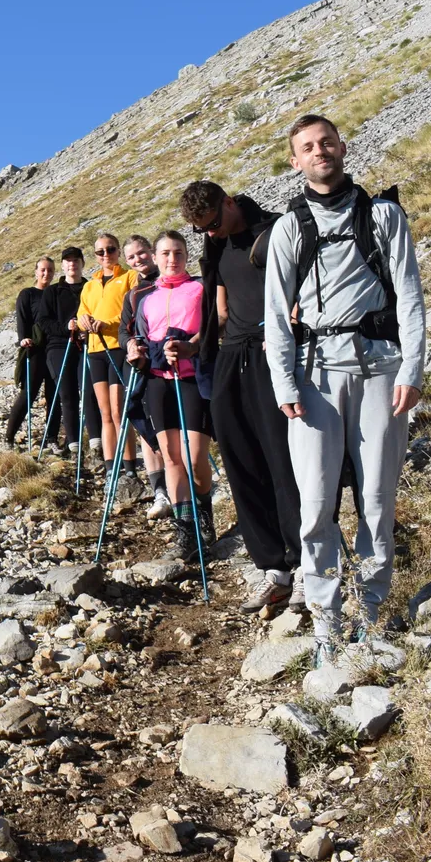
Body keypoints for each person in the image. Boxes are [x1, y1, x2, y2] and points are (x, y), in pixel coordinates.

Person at [264, 114, 427, 666]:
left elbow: (409, 294)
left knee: (377, 499)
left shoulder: (383, 215)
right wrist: (283, 379)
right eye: (307, 147)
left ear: (341, 146)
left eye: (326, 142)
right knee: (315, 505)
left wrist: (412, 369)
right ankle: (326, 625)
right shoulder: (287, 229)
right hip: (314, 377)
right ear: (295, 161)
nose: (319, 152)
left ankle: (371, 617)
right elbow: (274, 315)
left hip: (380, 368)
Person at [181, 179, 306, 612]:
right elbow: (219, 307)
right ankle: (273, 568)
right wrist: (198, 346)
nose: (211, 233)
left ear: (230, 202)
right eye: (202, 230)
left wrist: (291, 323)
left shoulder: (274, 230)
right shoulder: (217, 246)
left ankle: (305, 561)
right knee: (239, 458)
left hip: (270, 350)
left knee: (281, 457)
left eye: (213, 223)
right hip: (231, 356)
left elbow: (301, 286)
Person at [127, 231, 214, 561]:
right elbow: (140, 336)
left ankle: (204, 515)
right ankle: (186, 531)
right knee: (171, 457)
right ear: (156, 256)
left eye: (178, 252)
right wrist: (135, 349)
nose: (171, 259)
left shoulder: (200, 288)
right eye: (165, 253)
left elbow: (213, 326)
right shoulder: (146, 298)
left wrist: (190, 344)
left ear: (186, 255)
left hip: (193, 378)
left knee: (194, 458)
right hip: (158, 382)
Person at [76, 233, 143, 475]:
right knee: (105, 412)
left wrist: (107, 324)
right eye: (100, 252)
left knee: (118, 411)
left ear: (117, 251)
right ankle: (110, 465)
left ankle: (130, 467)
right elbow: (82, 315)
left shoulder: (129, 277)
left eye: (111, 249)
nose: (106, 255)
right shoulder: (89, 285)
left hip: (117, 348)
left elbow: (133, 312)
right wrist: (84, 322)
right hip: (95, 350)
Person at [116, 235, 171, 517]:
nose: (139, 260)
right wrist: (130, 344)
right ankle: (160, 491)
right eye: (132, 257)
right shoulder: (133, 294)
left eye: (142, 253)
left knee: (172, 425)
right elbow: (123, 331)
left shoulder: (173, 282)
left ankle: (187, 485)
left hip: (174, 363)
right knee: (147, 426)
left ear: (152, 252)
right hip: (145, 365)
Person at [38, 247, 86, 451]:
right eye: (68, 261)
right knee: (67, 393)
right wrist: (65, 328)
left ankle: (95, 440)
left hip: (86, 344)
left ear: (82, 263)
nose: (72, 264)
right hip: (59, 346)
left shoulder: (91, 287)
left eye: (76, 260)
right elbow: (43, 321)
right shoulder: (52, 291)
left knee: (89, 392)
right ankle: (72, 441)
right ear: (63, 265)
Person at [5, 258, 57, 446]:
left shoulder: (55, 293)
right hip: (34, 349)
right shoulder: (27, 294)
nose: (46, 274)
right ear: (35, 272)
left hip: (53, 349)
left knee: (54, 394)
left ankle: (51, 437)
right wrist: (23, 338)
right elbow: (22, 318)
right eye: (43, 270)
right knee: (29, 393)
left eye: (50, 270)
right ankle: (9, 437)